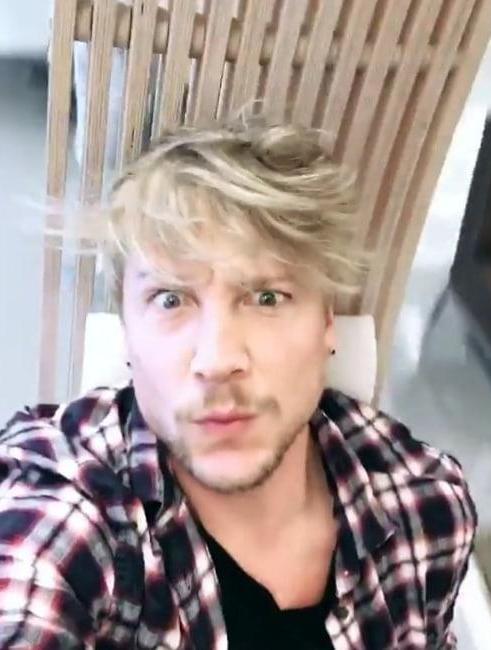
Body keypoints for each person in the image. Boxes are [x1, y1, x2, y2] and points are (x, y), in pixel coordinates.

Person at [0, 123, 477, 649]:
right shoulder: (64, 499)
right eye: (170, 299)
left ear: (327, 323)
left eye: (267, 297)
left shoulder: (426, 504)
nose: (218, 360)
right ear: (128, 335)